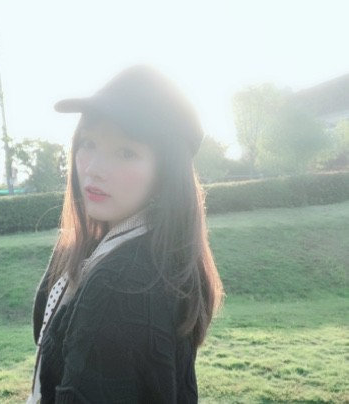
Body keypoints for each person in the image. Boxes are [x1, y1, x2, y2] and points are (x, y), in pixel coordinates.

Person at [27, 64, 224, 404]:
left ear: (166, 171)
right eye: (88, 143)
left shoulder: (122, 284)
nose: (93, 168)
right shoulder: (118, 250)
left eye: (126, 152)